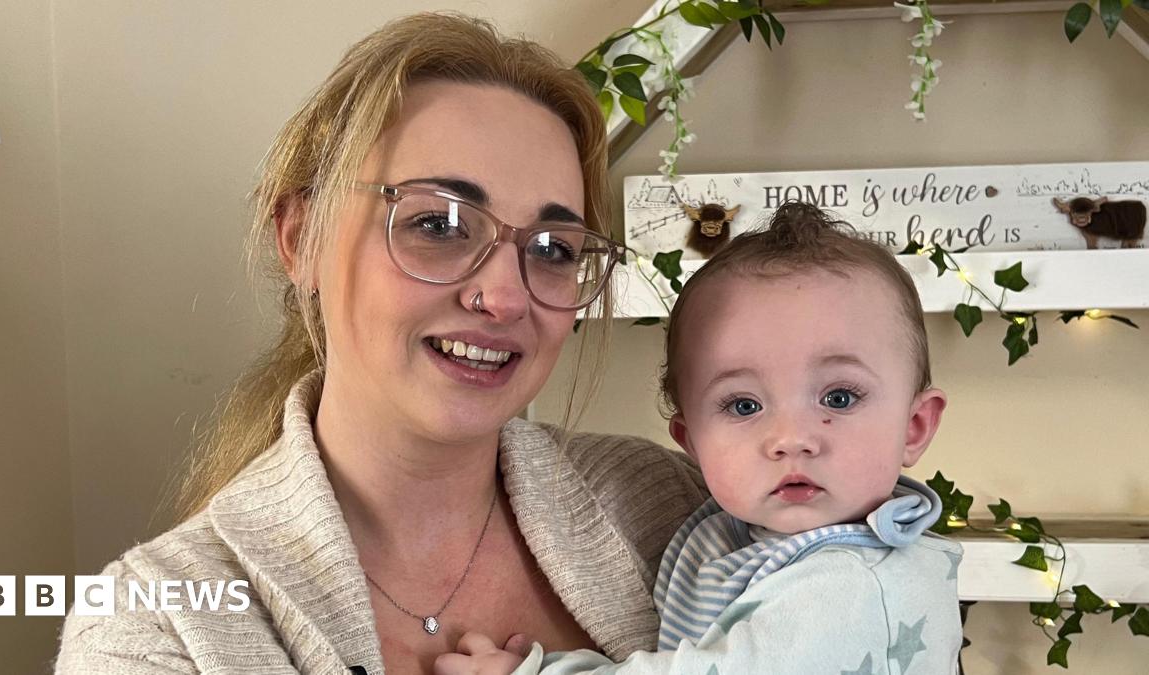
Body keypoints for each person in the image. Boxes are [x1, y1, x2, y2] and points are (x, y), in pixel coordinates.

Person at [54, 13, 709, 674]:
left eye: (552, 249)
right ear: (300, 238)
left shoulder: (668, 506)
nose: (506, 297)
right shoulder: (152, 627)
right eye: (438, 224)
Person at [435, 203, 964, 675]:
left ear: (914, 426)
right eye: (744, 405)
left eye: (840, 398)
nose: (790, 440)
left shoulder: (856, 587)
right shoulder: (740, 539)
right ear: (692, 443)